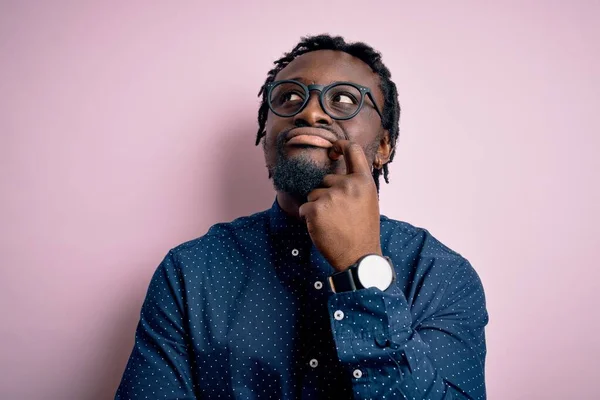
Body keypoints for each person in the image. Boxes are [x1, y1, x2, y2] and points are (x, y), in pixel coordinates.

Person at [115, 34, 488, 400]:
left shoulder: (440, 275)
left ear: (384, 147)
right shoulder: (189, 272)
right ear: (266, 132)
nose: (309, 112)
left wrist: (360, 267)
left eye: (343, 99)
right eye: (289, 97)